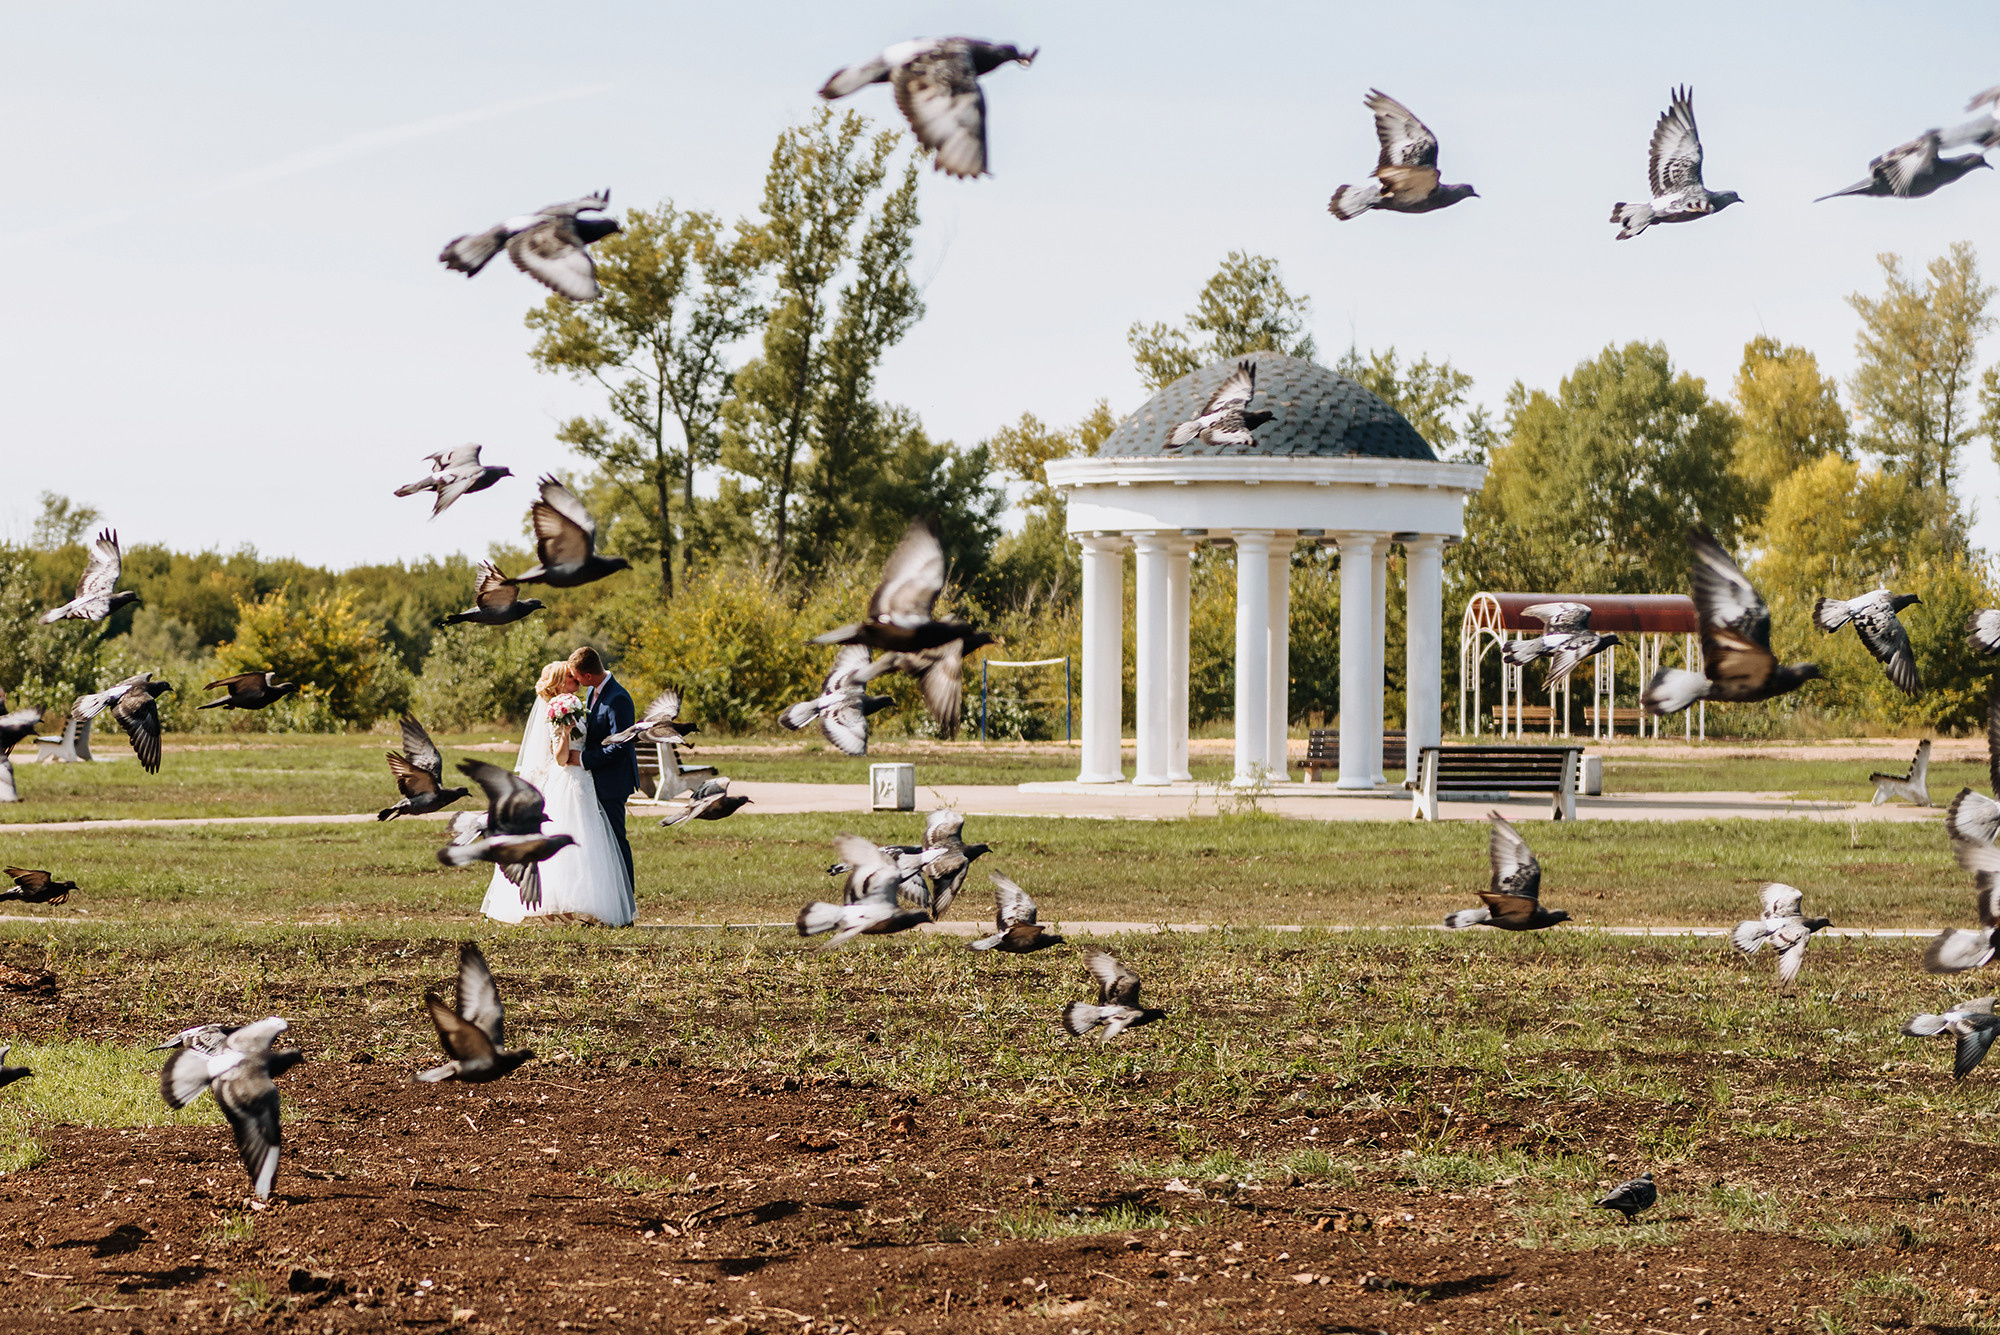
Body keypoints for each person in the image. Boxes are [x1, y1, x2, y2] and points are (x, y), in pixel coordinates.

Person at [479, 660, 634, 927]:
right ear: (561, 682)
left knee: (589, 842)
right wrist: (565, 732)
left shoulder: (578, 701)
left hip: (585, 780)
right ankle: (555, 905)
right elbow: (560, 758)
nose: (576, 679)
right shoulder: (556, 709)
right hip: (569, 780)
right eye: (571, 677)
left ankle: (585, 905)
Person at [569, 645, 640, 887]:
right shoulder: (592, 691)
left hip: (614, 782)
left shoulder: (618, 698)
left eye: (577, 676)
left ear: (588, 675)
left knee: (616, 840)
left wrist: (582, 759)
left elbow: (621, 747)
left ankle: (626, 898)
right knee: (600, 841)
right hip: (596, 780)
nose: (576, 681)